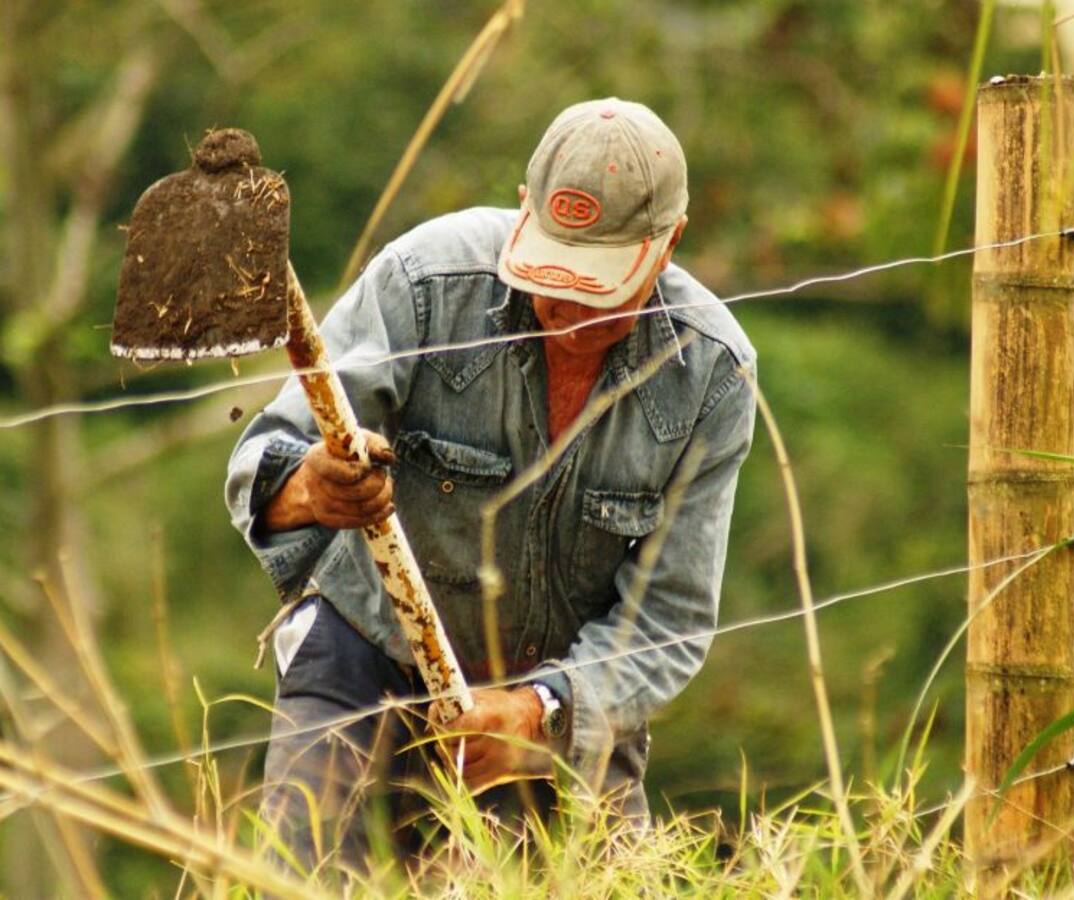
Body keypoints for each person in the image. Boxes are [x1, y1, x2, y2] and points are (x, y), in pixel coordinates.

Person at [225, 97, 756, 862]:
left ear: (669, 242)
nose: (567, 307)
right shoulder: (425, 283)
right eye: (553, 275)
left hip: (561, 707)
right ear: (524, 211)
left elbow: (668, 618)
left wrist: (541, 714)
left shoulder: (710, 373)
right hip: (364, 661)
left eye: (598, 286)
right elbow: (264, 462)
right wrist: (313, 488)